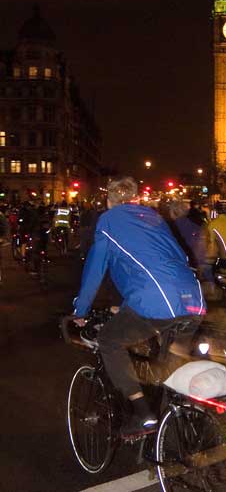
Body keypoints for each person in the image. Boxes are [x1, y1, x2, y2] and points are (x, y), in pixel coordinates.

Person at [73, 176, 206, 436]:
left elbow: (95, 269)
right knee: (170, 365)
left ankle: (143, 413)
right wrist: (127, 305)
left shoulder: (108, 220)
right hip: (193, 299)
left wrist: (80, 310)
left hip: (157, 302)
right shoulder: (153, 217)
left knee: (110, 340)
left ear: (109, 200)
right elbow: (166, 261)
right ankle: (182, 417)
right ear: (134, 197)